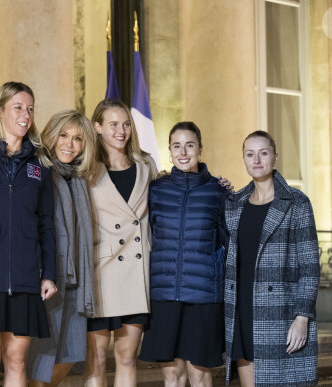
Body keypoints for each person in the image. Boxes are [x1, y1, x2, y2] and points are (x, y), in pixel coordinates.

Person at [0, 81, 57, 387]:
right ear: (0, 110)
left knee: (17, 359)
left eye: (30, 109)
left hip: (25, 276)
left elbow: (46, 222)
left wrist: (49, 273)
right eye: (17, 107)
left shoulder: (40, 164)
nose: (25, 114)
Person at [224, 130, 319, 386]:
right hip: (241, 308)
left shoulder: (296, 202)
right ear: (243, 159)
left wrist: (302, 318)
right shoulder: (234, 203)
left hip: (280, 312)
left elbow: (309, 266)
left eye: (263, 153)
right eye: (250, 154)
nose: (256, 160)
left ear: (274, 156)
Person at [139, 121, 229, 387]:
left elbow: (230, 242)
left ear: (200, 149)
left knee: (200, 377)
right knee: (172, 375)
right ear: (169, 150)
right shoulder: (156, 190)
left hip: (203, 298)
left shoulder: (218, 192)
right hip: (164, 296)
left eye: (189, 145)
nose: (183, 152)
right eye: (176, 146)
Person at [84, 98, 157, 387]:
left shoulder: (146, 165)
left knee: (127, 357)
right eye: (113, 124)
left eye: (126, 124)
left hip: (136, 275)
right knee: (97, 358)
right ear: (97, 127)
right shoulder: (86, 169)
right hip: (100, 273)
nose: (121, 130)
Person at [27, 110, 97, 386]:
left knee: (69, 356)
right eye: (64, 135)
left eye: (78, 138)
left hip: (76, 280)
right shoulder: (38, 172)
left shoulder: (79, 179)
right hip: (48, 276)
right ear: (52, 135)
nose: (69, 143)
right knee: (41, 358)